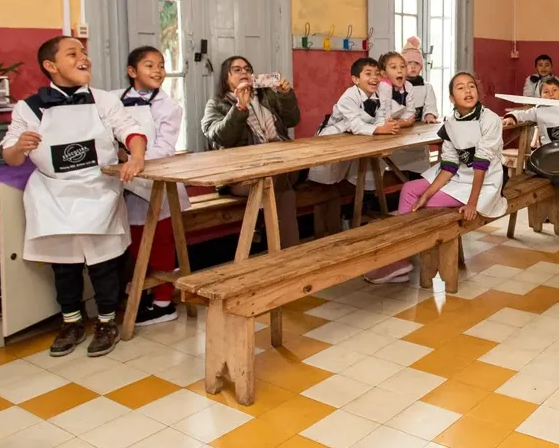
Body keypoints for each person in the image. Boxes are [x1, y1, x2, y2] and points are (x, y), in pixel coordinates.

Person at [1, 36, 146, 357]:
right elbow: (11, 156)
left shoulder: (104, 101)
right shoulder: (29, 107)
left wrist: (136, 157)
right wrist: (19, 146)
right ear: (50, 66)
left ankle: (106, 322)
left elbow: (131, 131)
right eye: (73, 53)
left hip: (99, 192)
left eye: (84, 52)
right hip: (53, 195)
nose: (84, 58)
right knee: (63, 266)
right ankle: (72, 323)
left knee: (104, 264)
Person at [365, 72, 508, 284]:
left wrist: (472, 203)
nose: (468, 91)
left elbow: (481, 164)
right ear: (451, 98)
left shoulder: (490, 120)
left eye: (471, 86)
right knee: (410, 190)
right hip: (459, 176)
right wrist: (427, 193)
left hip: (484, 182)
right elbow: (449, 166)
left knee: (415, 204)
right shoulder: (450, 122)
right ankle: (401, 256)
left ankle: (400, 258)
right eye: (460, 87)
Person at [112, 46, 190, 325]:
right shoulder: (112, 100)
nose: (157, 71)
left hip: (157, 183)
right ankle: (143, 293)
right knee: (135, 242)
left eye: (161, 65)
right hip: (124, 182)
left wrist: (132, 158)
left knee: (161, 242)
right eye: (149, 65)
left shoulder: (170, 107)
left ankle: (163, 301)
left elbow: (164, 149)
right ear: (132, 71)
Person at [201, 55, 302, 248]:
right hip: (241, 174)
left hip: (280, 165)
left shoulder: (266, 96)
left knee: (279, 177)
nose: (244, 73)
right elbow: (221, 137)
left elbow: (292, 120)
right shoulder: (216, 104)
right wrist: (240, 108)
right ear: (226, 77)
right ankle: (289, 249)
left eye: (247, 69)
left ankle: (264, 230)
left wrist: (286, 95)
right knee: (282, 186)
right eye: (237, 70)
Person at [504, 76, 559, 250]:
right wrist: (511, 117)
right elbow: (522, 114)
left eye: (554, 91)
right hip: (549, 159)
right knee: (532, 166)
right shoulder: (538, 109)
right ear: (540, 95)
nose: (550, 95)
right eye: (546, 92)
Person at [309, 57, 401, 191]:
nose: (374, 77)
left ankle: (365, 198)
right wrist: (380, 129)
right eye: (368, 73)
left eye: (377, 74)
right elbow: (355, 125)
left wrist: (386, 125)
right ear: (355, 79)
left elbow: (380, 117)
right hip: (332, 138)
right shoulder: (349, 97)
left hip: (355, 139)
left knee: (359, 173)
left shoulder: (378, 95)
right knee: (327, 182)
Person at [391, 37, 440, 175]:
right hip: (399, 131)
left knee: (419, 167)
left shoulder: (427, 87)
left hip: (419, 132)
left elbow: (430, 105)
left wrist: (429, 115)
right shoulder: (394, 87)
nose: (412, 67)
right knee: (396, 164)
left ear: (421, 67)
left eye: (416, 64)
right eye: (408, 63)